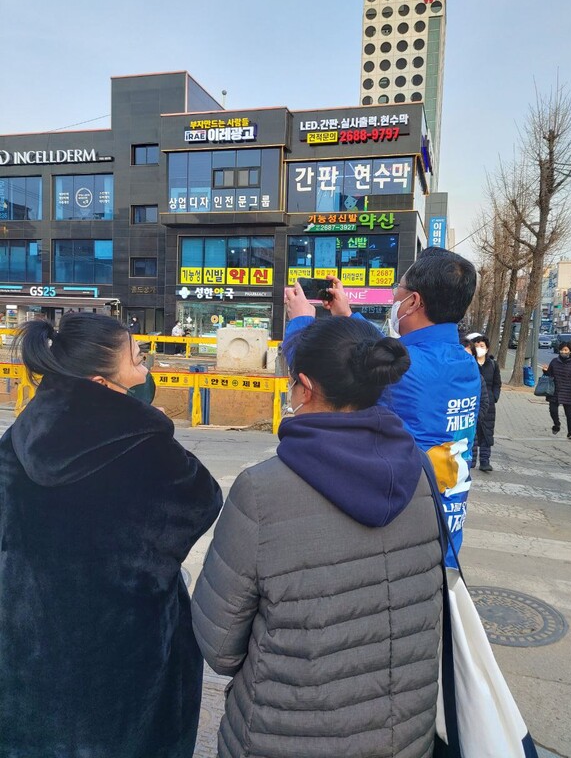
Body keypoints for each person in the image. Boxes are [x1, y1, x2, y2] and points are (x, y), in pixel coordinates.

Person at [192, 316, 443, 758]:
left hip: (283, 733)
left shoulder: (261, 490)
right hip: (404, 733)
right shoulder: (421, 472)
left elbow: (219, 647)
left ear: (304, 387)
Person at [0, 313, 223, 758]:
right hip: (124, 652)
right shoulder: (147, 445)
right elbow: (203, 502)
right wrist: (154, 429)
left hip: (30, 641)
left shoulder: (17, 438)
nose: (146, 371)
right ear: (102, 381)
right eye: (138, 360)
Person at [284, 247, 480, 565]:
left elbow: (318, 371)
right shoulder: (464, 364)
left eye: (397, 290)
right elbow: (390, 354)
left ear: (414, 301)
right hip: (446, 532)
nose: (394, 298)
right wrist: (348, 316)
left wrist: (301, 321)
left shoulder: (405, 370)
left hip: (402, 537)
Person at [543, 342, 571, 439]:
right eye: (562, 350)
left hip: (568, 391)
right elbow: (549, 375)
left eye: (566, 350)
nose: (563, 352)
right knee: (553, 410)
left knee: (569, 413)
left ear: (570, 351)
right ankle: (557, 424)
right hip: (554, 390)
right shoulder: (554, 361)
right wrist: (545, 370)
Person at [471, 334, 502, 471]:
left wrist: (494, 397)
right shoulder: (470, 363)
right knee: (474, 432)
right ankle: (471, 460)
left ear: (487, 348)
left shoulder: (493, 365)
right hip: (473, 401)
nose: (479, 348)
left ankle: (485, 461)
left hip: (489, 403)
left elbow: (497, 383)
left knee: (486, 432)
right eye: (476, 346)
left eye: (482, 346)